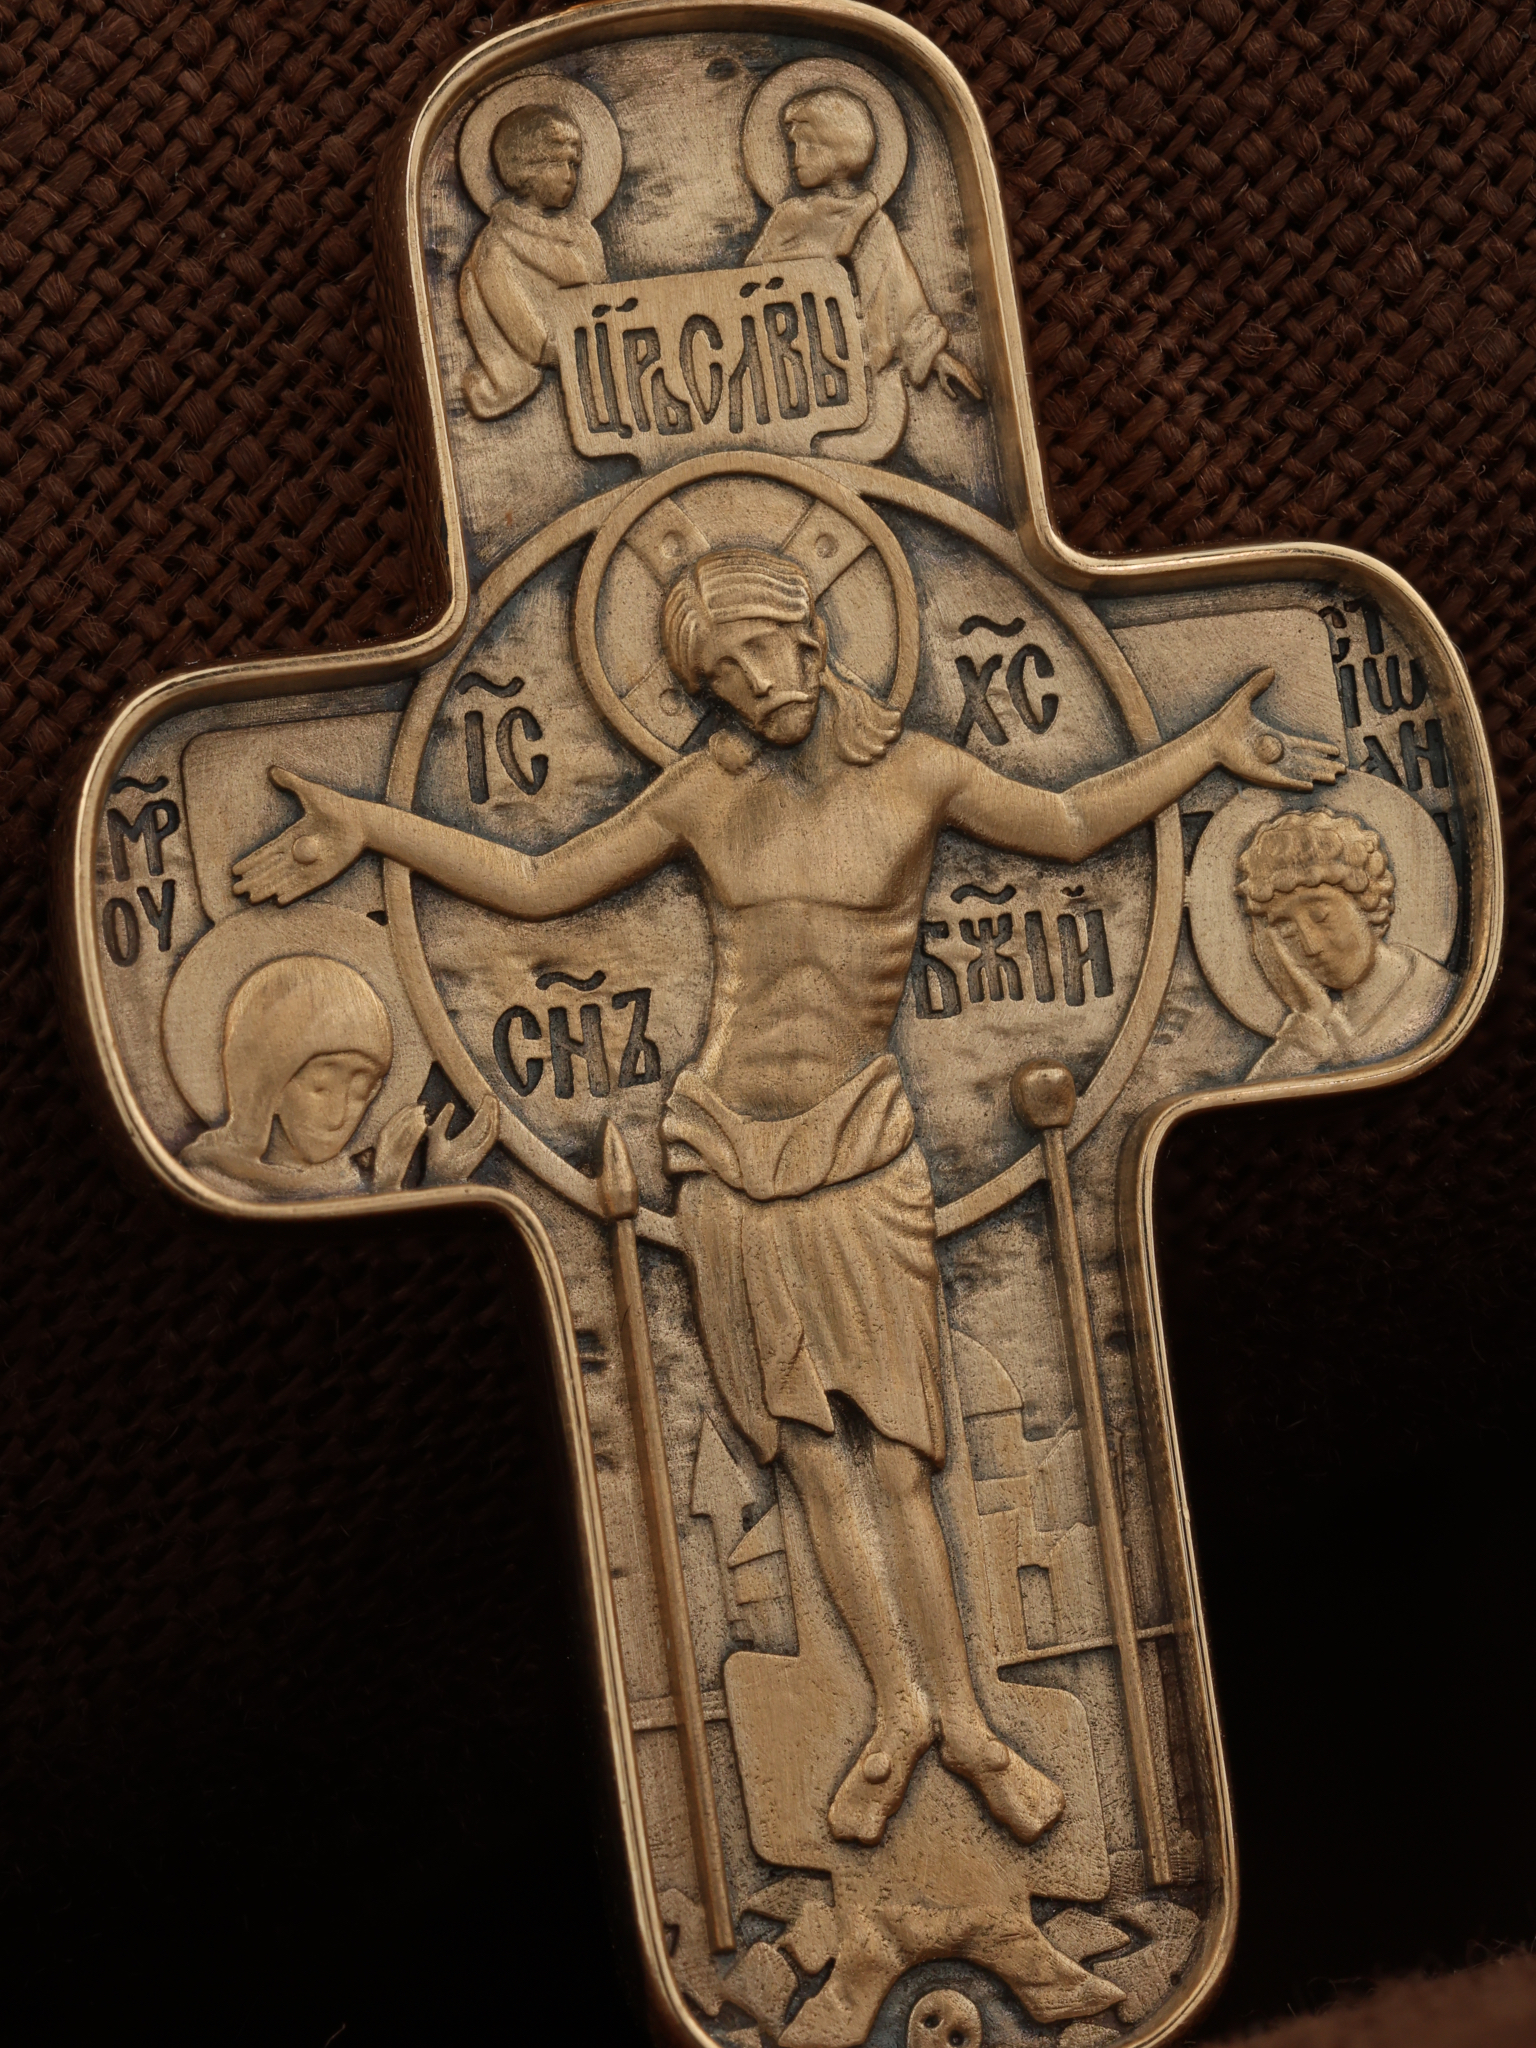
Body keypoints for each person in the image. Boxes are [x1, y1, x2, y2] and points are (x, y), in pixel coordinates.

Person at [231, 546, 1340, 1845]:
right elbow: (538, 884)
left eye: (765, 650)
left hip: (859, 1152)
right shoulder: (707, 792)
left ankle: (972, 1726)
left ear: (812, 633)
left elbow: (1073, 820)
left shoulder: (919, 773)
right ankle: (897, 1712)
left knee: (905, 1457)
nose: (756, 685)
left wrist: (1209, 747)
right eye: (722, 673)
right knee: (814, 1461)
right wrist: (372, 825)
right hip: (729, 1159)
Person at [748, 87, 981, 424]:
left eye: (809, 146)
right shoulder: (789, 218)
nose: (796, 157)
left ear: (841, 150)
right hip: (786, 377)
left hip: (855, 379)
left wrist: (936, 357)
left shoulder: (873, 225)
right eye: (794, 146)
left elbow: (901, 301)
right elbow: (747, 288)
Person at [182, 953, 495, 1192]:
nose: (338, 1115)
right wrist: (386, 1184)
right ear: (267, 1086)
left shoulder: (350, 1181)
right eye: (320, 1087)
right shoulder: (213, 1181)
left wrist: (440, 1177)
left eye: (360, 1093)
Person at [1237, 807, 1453, 1080]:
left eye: (1321, 916)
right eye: (1287, 930)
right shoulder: (1325, 1024)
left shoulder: (1434, 996)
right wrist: (1310, 1014)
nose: (1310, 946)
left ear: (1366, 900)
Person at [460, 105, 606, 420]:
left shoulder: (582, 233)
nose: (569, 177)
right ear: (523, 167)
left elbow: (606, 296)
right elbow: (533, 343)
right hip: (543, 398)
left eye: (574, 164)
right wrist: (604, 346)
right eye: (556, 163)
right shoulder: (496, 247)